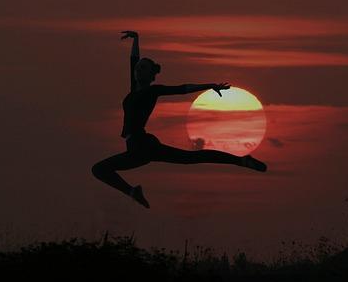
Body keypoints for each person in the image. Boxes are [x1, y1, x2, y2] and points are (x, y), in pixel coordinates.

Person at [91, 30, 268, 208]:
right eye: (138, 68)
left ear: (151, 75)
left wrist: (209, 86)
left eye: (143, 68)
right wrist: (136, 39)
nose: (138, 70)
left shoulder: (152, 91)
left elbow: (182, 88)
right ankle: (133, 192)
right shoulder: (134, 90)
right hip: (138, 148)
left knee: (99, 169)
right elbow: (133, 61)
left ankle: (242, 160)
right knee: (189, 158)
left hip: (142, 145)